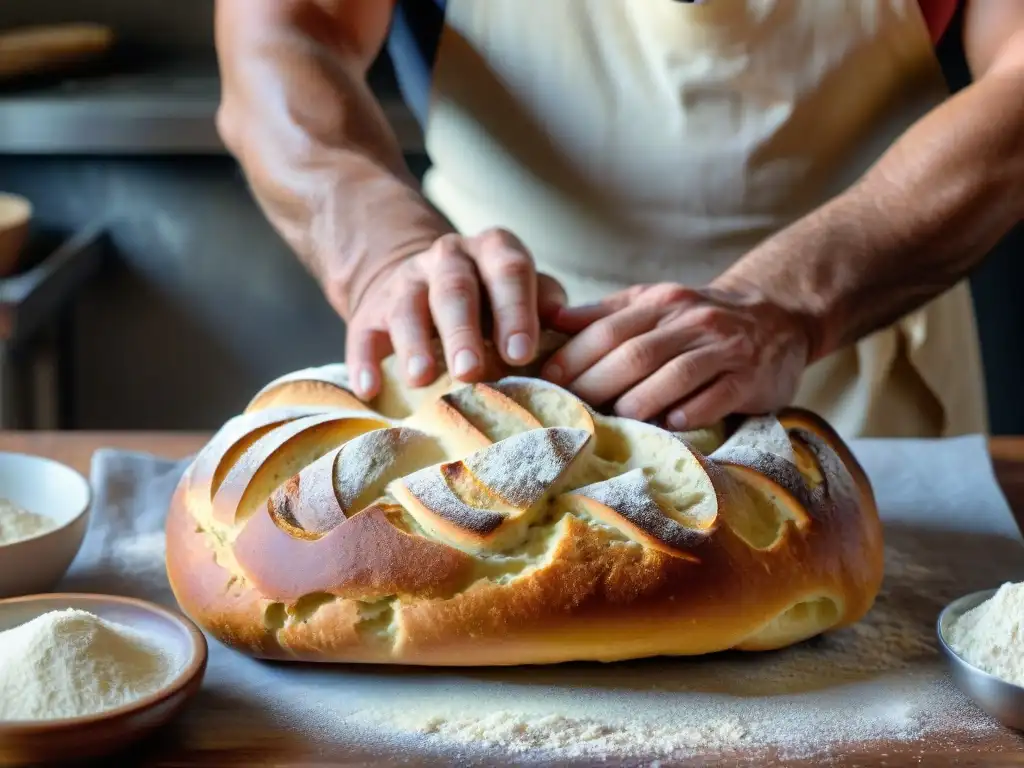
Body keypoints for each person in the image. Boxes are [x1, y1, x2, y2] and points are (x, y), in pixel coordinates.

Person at [214, 0, 1024, 439]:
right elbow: (284, 32)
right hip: (492, 368)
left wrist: (796, 300)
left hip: (854, 370)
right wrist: (388, 252)